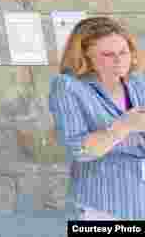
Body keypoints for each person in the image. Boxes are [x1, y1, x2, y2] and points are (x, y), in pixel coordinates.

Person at [48, 16, 145, 220]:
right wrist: (123, 127)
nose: (119, 60)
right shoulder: (67, 86)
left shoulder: (137, 83)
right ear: (85, 56)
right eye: (108, 54)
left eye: (123, 52)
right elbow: (79, 150)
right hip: (102, 203)